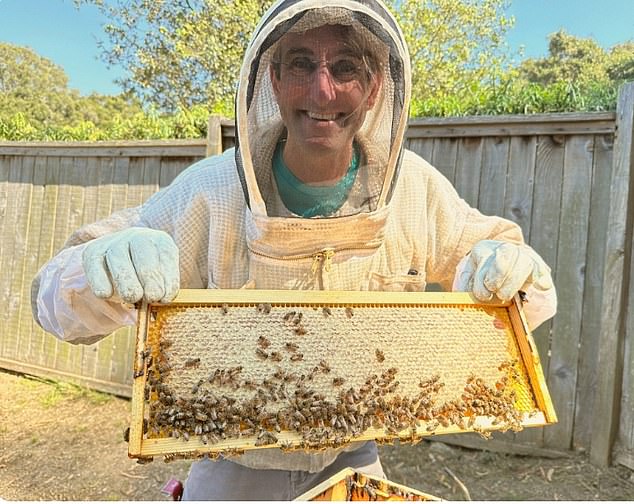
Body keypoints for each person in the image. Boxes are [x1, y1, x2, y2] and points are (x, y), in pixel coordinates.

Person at [32, 0, 557, 500]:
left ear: (375, 88)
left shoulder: (417, 192)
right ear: (274, 80)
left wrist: (507, 272)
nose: (322, 90)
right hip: (229, 466)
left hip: (354, 461)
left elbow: (518, 288)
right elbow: (55, 307)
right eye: (301, 64)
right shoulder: (209, 192)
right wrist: (95, 271)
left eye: (346, 67)